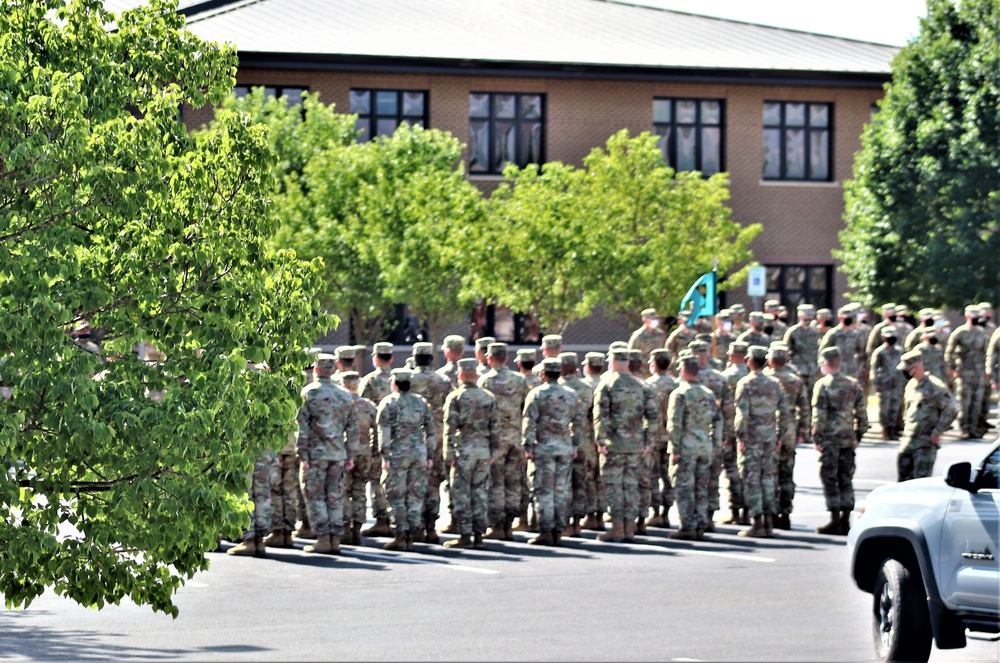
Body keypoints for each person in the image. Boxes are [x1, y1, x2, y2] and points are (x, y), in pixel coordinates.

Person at [297, 353, 360, 555]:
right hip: (338, 453)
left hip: (316, 455)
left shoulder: (308, 393)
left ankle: (323, 538)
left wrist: (303, 454)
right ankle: (335, 538)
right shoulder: (344, 394)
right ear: (334, 370)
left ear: (316, 370)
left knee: (315, 495)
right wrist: (350, 454)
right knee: (335, 495)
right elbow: (352, 428)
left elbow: (302, 427)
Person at [593, 348, 657, 543]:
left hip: (614, 445)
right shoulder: (643, 386)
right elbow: (653, 417)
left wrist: (600, 441)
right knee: (631, 487)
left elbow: (600, 416)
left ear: (611, 363)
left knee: (614, 487)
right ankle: (630, 528)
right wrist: (648, 441)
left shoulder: (607, 385)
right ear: (628, 363)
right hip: (636, 445)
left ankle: (618, 529)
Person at [522, 357, 583, 546]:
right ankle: (559, 530)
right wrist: (574, 445)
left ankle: (546, 531)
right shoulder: (571, 394)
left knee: (543, 490)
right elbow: (579, 422)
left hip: (543, 448)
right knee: (561, 490)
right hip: (564, 448)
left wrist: (528, 445)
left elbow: (529, 422)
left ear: (543, 374)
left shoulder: (537, 394)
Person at [443, 359, 500, 549]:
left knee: (461, 494)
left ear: (460, 375)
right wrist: (493, 450)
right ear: (476, 375)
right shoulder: (488, 397)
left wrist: (448, 453)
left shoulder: (455, 397)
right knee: (480, 493)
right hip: (483, 449)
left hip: (464, 450)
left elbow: (449, 428)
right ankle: (479, 535)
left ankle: (465, 534)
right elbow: (495, 426)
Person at [377, 368, 436, 551]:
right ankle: (412, 533)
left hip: (398, 454)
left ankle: (400, 535)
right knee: (416, 495)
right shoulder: (420, 402)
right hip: (419, 453)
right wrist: (430, 454)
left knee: (396, 496)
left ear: (394, 383)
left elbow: (384, 432)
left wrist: (384, 456)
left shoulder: (388, 402)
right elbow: (431, 430)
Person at [812, 346, 869, 536]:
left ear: (826, 363)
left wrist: (816, 436)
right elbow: (862, 414)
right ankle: (845, 519)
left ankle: (835, 519)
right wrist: (858, 435)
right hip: (847, 439)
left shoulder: (823, 385)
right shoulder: (853, 384)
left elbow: (819, 415)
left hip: (830, 439)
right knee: (846, 478)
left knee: (830, 478)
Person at [734, 346, 789, 538]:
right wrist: (779, 435)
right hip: (769, 437)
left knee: (752, 480)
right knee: (768, 479)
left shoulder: (746, 383)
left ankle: (757, 522)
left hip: (752, 438)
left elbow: (742, 414)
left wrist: (740, 437)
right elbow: (784, 411)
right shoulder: (774, 383)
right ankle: (769, 522)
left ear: (750, 361)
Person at [666, 354, 721, 540]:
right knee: (701, 487)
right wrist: (715, 444)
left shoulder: (680, 393)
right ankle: (700, 523)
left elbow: (674, 424)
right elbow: (718, 421)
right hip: (704, 446)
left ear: (682, 371)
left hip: (686, 448)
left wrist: (674, 449)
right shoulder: (708, 393)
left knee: (684, 487)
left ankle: (688, 525)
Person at [478, 342, 527, 541]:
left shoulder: (485, 381)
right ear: (506, 358)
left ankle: (497, 525)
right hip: (516, 437)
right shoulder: (520, 380)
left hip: (495, 440)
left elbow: (481, 413)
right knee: (513, 482)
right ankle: (509, 524)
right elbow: (525, 407)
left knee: (496, 483)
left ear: (489, 358)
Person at [687, 339, 733, 532]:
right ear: (707, 355)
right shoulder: (719, 378)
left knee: (690, 480)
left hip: (689, 438)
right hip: (713, 434)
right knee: (711, 479)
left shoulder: (685, 379)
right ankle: (709, 517)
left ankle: (692, 519)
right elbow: (728, 410)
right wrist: (726, 434)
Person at [408, 342, 453, 541]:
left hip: (412, 440)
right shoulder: (443, 380)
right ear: (431, 359)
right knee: (433, 484)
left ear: (414, 358)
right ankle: (431, 527)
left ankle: (415, 526)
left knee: (413, 485)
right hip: (437, 438)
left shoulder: (407, 380)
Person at [763, 343, 809, 530]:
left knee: (769, 474)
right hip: (789, 429)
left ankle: (772, 513)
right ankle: (786, 513)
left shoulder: (765, 379)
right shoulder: (795, 380)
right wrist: (802, 431)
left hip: (768, 428)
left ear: (771, 360)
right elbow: (804, 408)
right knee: (787, 474)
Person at [896, 350, 958, 482]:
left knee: (919, 482)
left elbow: (952, 409)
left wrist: (937, 432)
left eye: (907, 369)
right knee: (902, 483)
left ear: (916, 368)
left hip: (924, 444)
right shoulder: (911, 385)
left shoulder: (935, 387)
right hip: (908, 441)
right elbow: (907, 409)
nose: (904, 372)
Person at [557, 351, 596, 537]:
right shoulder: (586, 388)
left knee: (564, 484)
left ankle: (564, 523)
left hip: (563, 441)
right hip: (584, 441)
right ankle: (577, 523)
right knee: (581, 482)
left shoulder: (560, 389)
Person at [359, 342, 395, 538]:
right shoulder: (400, 378)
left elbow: (363, 409)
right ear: (391, 358)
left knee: (376, 478)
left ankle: (382, 520)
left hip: (377, 437)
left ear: (375, 358)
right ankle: (394, 518)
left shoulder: (370, 380)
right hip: (400, 438)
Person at [340, 371, 377, 546]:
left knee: (344, 492)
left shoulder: (341, 403)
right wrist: (375, 452)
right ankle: (357, 529)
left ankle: (346, 528)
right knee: (360, 490)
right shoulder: (368, 405)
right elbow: (378, 431)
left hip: (345, 453)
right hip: (364, 453)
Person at [945, 305, 988, 438]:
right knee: (964, 402)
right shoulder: (959, 332)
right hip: (964, 373)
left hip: (978, 373)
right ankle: (964, 429)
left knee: (977, 402)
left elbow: (986, 352)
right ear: (967, 316)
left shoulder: (981, 333)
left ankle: (973, 428)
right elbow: (949, 352)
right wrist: (953, 368)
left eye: (977, 317)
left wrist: (986, 370)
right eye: (973, 317)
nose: (975, 319)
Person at [645, 348, 677, 528]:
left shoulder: (649, 385)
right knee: (669, 476)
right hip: (671, 437)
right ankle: (666, 512)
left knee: (653, 476)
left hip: (654, 437)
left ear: (655, 364)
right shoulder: (676, 384)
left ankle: (656, 512)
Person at [719, 341, 750, 525]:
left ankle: (735, 511)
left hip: (729, 430)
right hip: (750, 430)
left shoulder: (724, 377)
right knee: (748, 471)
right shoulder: (750, 374)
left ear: (731, 356)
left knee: (731, 470)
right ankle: (748, 511)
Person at [580, 352, 608, 531]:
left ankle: (591, 515)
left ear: (587, 366)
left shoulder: (584, 386)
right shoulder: (607, 384)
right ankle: (601, 515)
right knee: (602, 477)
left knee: (589, 477)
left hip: (587, 438)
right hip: (605, 438)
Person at [869, 325, 906, 440]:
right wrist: (875, 383)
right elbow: (874, 368)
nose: (892, 339)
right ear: (884, 338)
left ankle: (893, 429)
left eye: (894, 336)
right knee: (885, 407)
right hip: (885, 383)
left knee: (895, 406)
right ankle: (885, 430)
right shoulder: (879, 352)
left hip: (897, 382)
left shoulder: (900, 351)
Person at [784, 304, 821, 399]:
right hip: (798, 370)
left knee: (812, 396)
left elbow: (819, 350)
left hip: (812, 370)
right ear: (800, 316)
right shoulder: (793, 331)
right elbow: (785, 351)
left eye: (810, 315)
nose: (809, 318)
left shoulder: (815, 332)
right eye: (806, 315)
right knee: (798, 396)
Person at [628, 308, 667, 378]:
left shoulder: (661, 335)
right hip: (642, 373)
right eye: (652, 318)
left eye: (655, 318)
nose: (654, 321)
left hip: (657, 373)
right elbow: (631, 355)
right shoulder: (638, 336)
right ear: (644, 320)